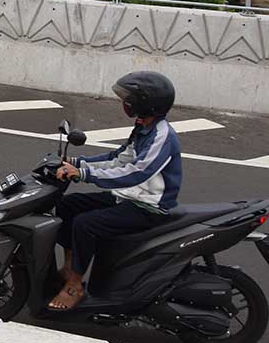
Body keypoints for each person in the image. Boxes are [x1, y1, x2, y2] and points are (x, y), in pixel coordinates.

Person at [49, 71, 181, 311]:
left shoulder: (163, 136)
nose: (125, 103)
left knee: (85, 224)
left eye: (129, 99)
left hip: (147, 206)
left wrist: (85, 174)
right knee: (68, 205)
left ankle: (75, 286)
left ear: (145, 103)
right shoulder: (143, 127)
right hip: (128, 197)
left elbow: (136, 172)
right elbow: (118, 159)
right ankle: (70, 268)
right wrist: (77, 163)